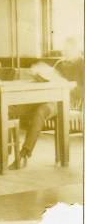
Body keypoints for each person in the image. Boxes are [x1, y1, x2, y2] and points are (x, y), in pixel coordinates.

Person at [10, 37, 83, 169]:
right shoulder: (60, 64)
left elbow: (82, 92)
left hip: (65, 102)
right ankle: (3, 150)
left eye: (69, 50)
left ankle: (24, 153)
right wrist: (38, 76)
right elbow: (50, 79)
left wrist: (69, 86)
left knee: (40, 111)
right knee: (13, 108)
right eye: (65, 49)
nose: (65, 52)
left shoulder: (82, 64)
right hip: (48, 96)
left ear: (76, 50)